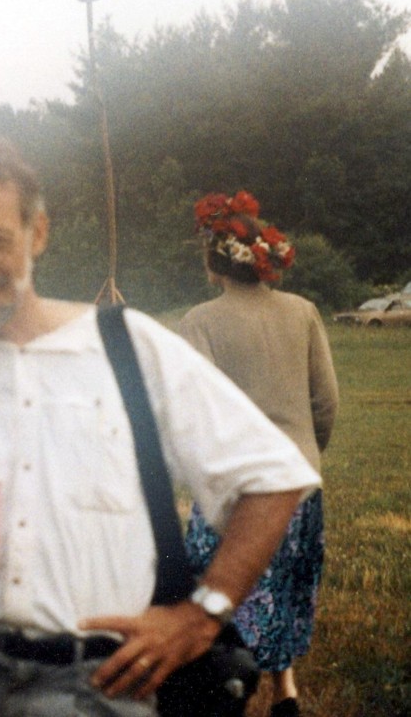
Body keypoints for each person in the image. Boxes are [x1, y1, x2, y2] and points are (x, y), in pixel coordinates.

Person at [0, 133, 322, 717]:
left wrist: (202, 614)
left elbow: (273, 478)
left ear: (37, 234)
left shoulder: (129, 348)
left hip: (101, 683)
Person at [180, 192, 338, 717]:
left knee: (228, 593)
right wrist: (307, 454)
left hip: (238, 488)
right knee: (285, 587)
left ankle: (232, 694)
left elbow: (198, 413)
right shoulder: (303, 311)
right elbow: (326, 401)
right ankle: (285, 691)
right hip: (298, 483)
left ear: (215, 261)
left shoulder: (200, 321)